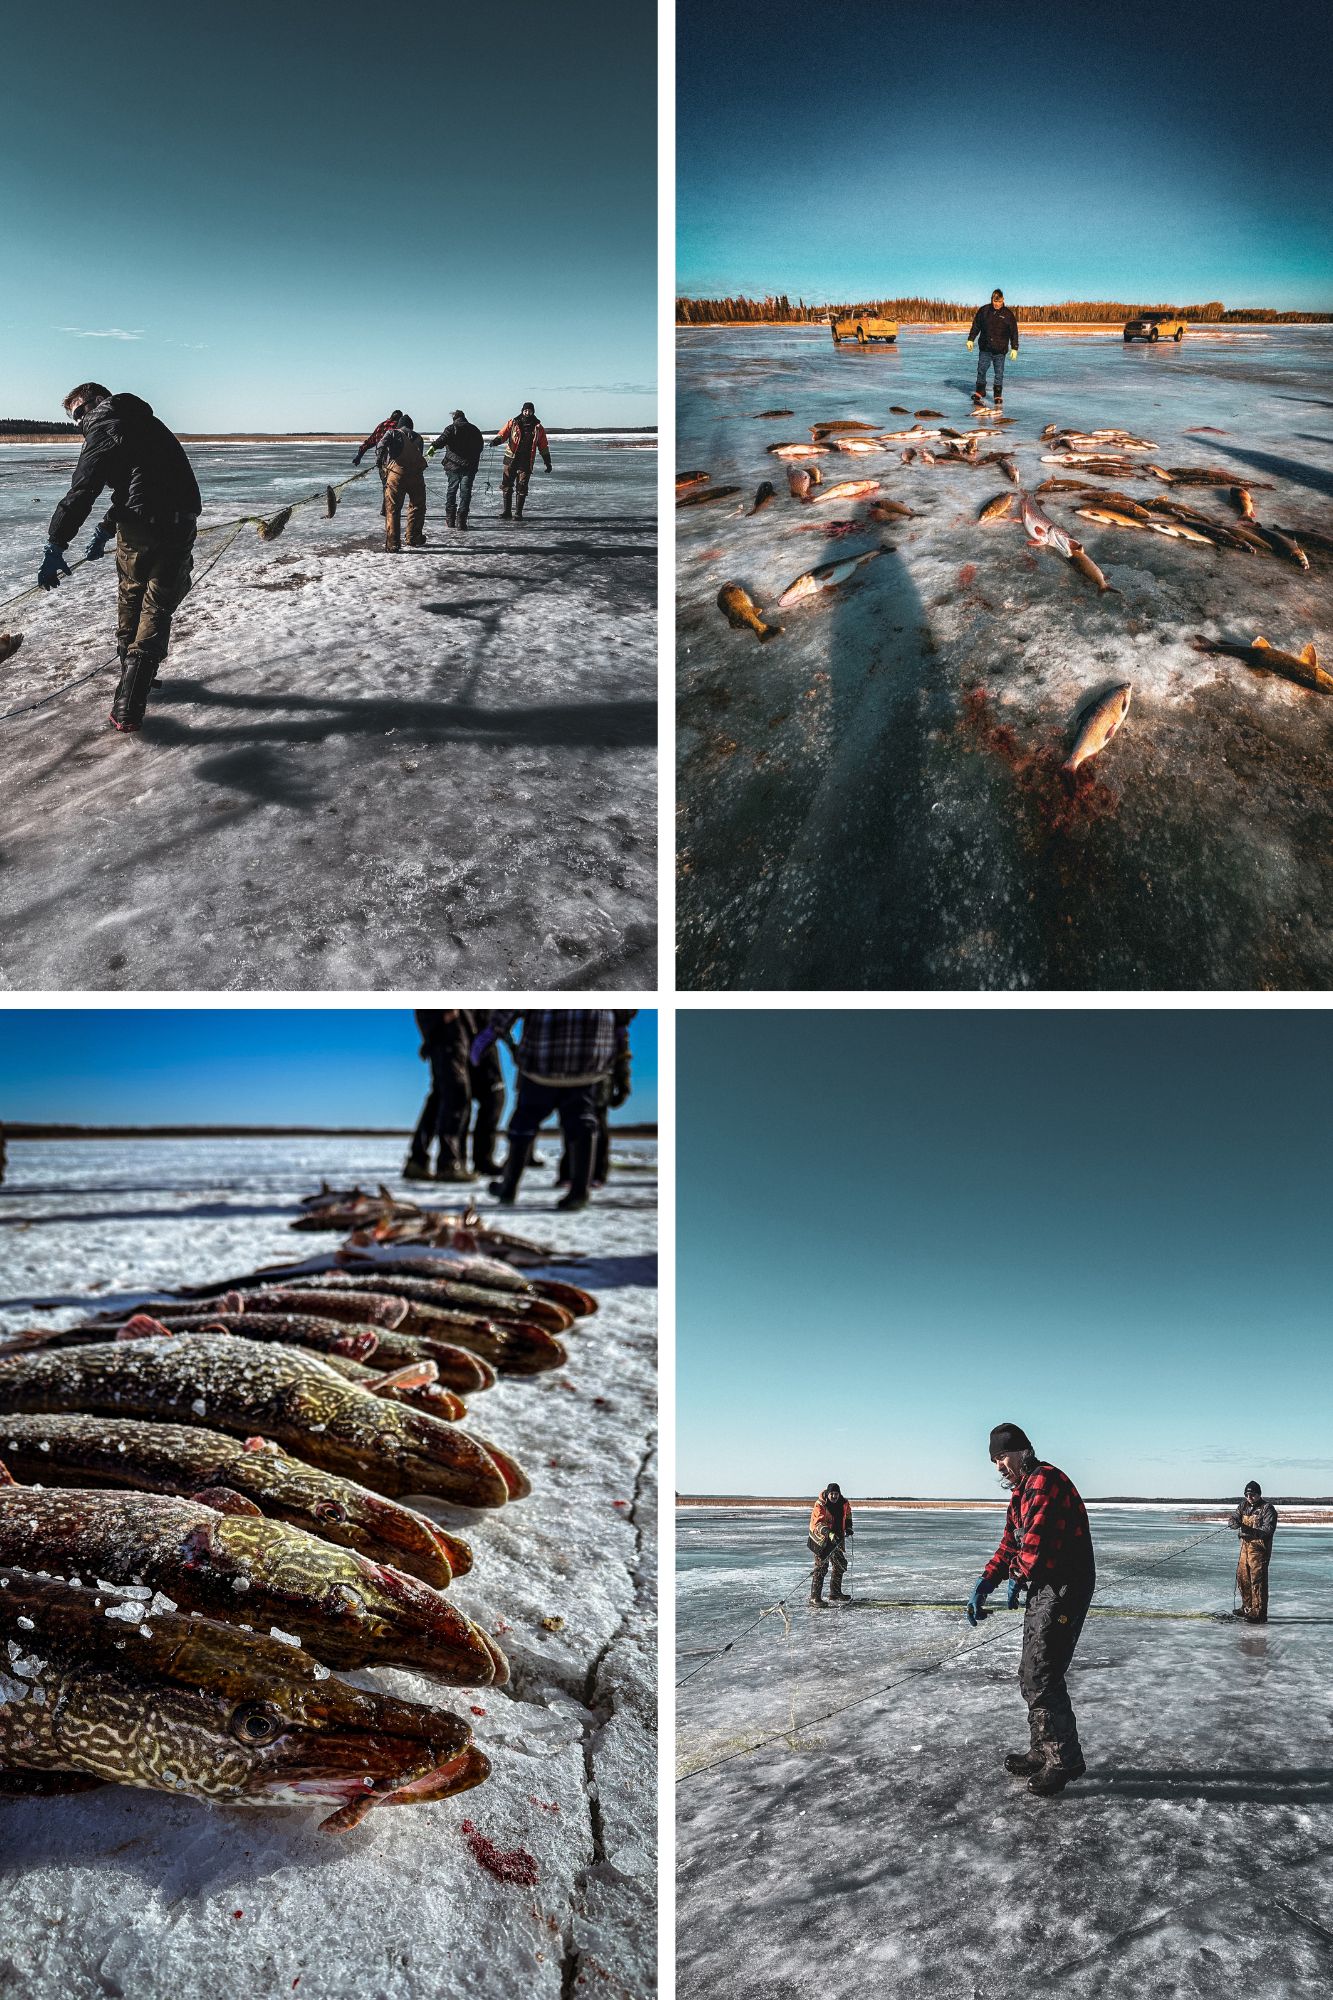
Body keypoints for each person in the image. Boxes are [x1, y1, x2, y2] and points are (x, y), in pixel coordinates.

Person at [38, 384, 202, 734]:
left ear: (98, 401)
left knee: (136, 596)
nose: (81, 420)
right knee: (156, 605)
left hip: (144, 529)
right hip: (179, 521)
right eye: (75, 417)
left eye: (81, 411)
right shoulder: (144, 421)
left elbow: (84, 489)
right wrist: (106, 527)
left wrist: (57, 542)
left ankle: (128, 701)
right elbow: (142, 482)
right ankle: (136, 680)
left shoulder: (105, 425)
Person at [966, 1422, 1095, 1797]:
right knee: (1030, 1672)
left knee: (1043, 1672)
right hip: (1044, 1586)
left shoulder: (1045, 1481)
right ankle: (1044, 1750)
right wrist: (986, 1581)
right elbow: (1012, 1544)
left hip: (1065, 1587)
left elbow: (1035, 1545)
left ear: (1022, 1451)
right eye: (993, 1460)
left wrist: (1018, 1576)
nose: (998, 1466)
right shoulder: (1020, 1494)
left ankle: (1064, 1759)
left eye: (1002, 1456)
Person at [473, 1010, 617, 1212]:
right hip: (589, 1057)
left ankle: (509, 1187)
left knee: (525, 1120)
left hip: (543, 1058)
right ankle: (579, 1191)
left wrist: (492, 1032)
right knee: (582, 1120)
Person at [558, 1009, 635, 1189]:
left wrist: (624, 1085)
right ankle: (568, 1173)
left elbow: (623, 1057)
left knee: (598, 1130)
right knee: (570, 1128)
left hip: (600, 1085)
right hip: (572, 1080)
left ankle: (597, 1173)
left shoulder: (617, 1030)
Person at [403, 1010, 475, 1183]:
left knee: (439, 1099)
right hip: (448, 1037)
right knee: (456, 1096)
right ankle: (448, 1163)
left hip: (448, 1037)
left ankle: (418, 1160)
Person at [377, 415, 428, 553]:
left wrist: (380, 460)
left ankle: (393, 543)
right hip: (416, 476)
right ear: (411, 426)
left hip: (396, 476)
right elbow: (418, 456)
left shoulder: (391, 433)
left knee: (393, 508)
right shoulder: (418, 438)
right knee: (417, 506)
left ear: (399, 425)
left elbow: (381, 445)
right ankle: (413, 537)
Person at [427, 409, 485, 530]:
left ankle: (450, 519)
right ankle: (461, 521)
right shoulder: (474, 429)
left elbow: (441, 440)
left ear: (455, 418)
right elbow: (480, 446)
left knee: (451, 491)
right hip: (469, 466)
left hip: (452, 466)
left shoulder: (451, 428)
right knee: (466, 493)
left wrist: (433, 447)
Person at [494, 402, 552, 521]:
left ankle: (518, 513)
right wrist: (497, 440)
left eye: (530, 411)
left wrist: (548, 462)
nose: (527, 413)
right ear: (522, 411)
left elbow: (543, 446)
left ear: (533, 412)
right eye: (525, 411)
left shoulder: (538, 428)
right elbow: (503, 434)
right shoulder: (513, 423)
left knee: (522, 486)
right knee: (507, 485)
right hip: (511, 459)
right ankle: (507, 512)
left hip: (526, 460)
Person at [1229, 1481, 1277, 1623]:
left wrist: (1247, 1530)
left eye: (1252, 1494)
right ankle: (1247, 1608)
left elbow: (1268, 1530)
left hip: (1259, 1549)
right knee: (1243, 1578)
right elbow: (1233, 1519)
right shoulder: (1242, 1506)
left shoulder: (1267, 1508)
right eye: (1247, 1494)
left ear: (1258, 1494)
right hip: (1244, 1548)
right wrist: (1234, 1523)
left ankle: (1259, 1613)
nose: (1249, 1497)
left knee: (1258, 1580)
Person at [466, 1010, 507, 1176]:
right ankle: (481, 1161)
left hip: (476, 1051)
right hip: (477, 1053)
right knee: (493, 1102)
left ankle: (479, 1160)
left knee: (492, 1105)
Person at [966, 289, 1020, 409]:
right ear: (991, 300)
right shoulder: (984, 311)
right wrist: (971, 339)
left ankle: (997, 395)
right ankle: (980, 391)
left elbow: (1014, 332)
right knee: (981, 369)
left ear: (1003, 300)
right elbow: (976, 326)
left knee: (999, 373)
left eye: (999, 301)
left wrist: (1014, 348)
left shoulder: (1008, 314)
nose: (996, 304)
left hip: (1000, 350)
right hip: (985, 348)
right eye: (994, 301)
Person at [808, 1482, 853, 1608]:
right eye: (832, 1494)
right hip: (821, 1540)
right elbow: (818, 1523)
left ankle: (835, 1593)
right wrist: (829, 1533)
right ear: (828, 1494)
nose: (834, 1496)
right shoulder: (820, 1504)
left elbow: (848, 1514)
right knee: (821, 1567)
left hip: (837, 1539)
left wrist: (848, 1527)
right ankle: (814, 1598)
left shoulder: (843, 1503)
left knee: (840, 1564)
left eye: (836, 1494)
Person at [353, 410, 403, 487]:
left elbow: (369, 442)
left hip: (382, 463)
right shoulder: (398, 427)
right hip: (396, 464)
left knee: (386, 487)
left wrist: (359, 456)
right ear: (400, 419)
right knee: (396, 488)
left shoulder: (381, 426)